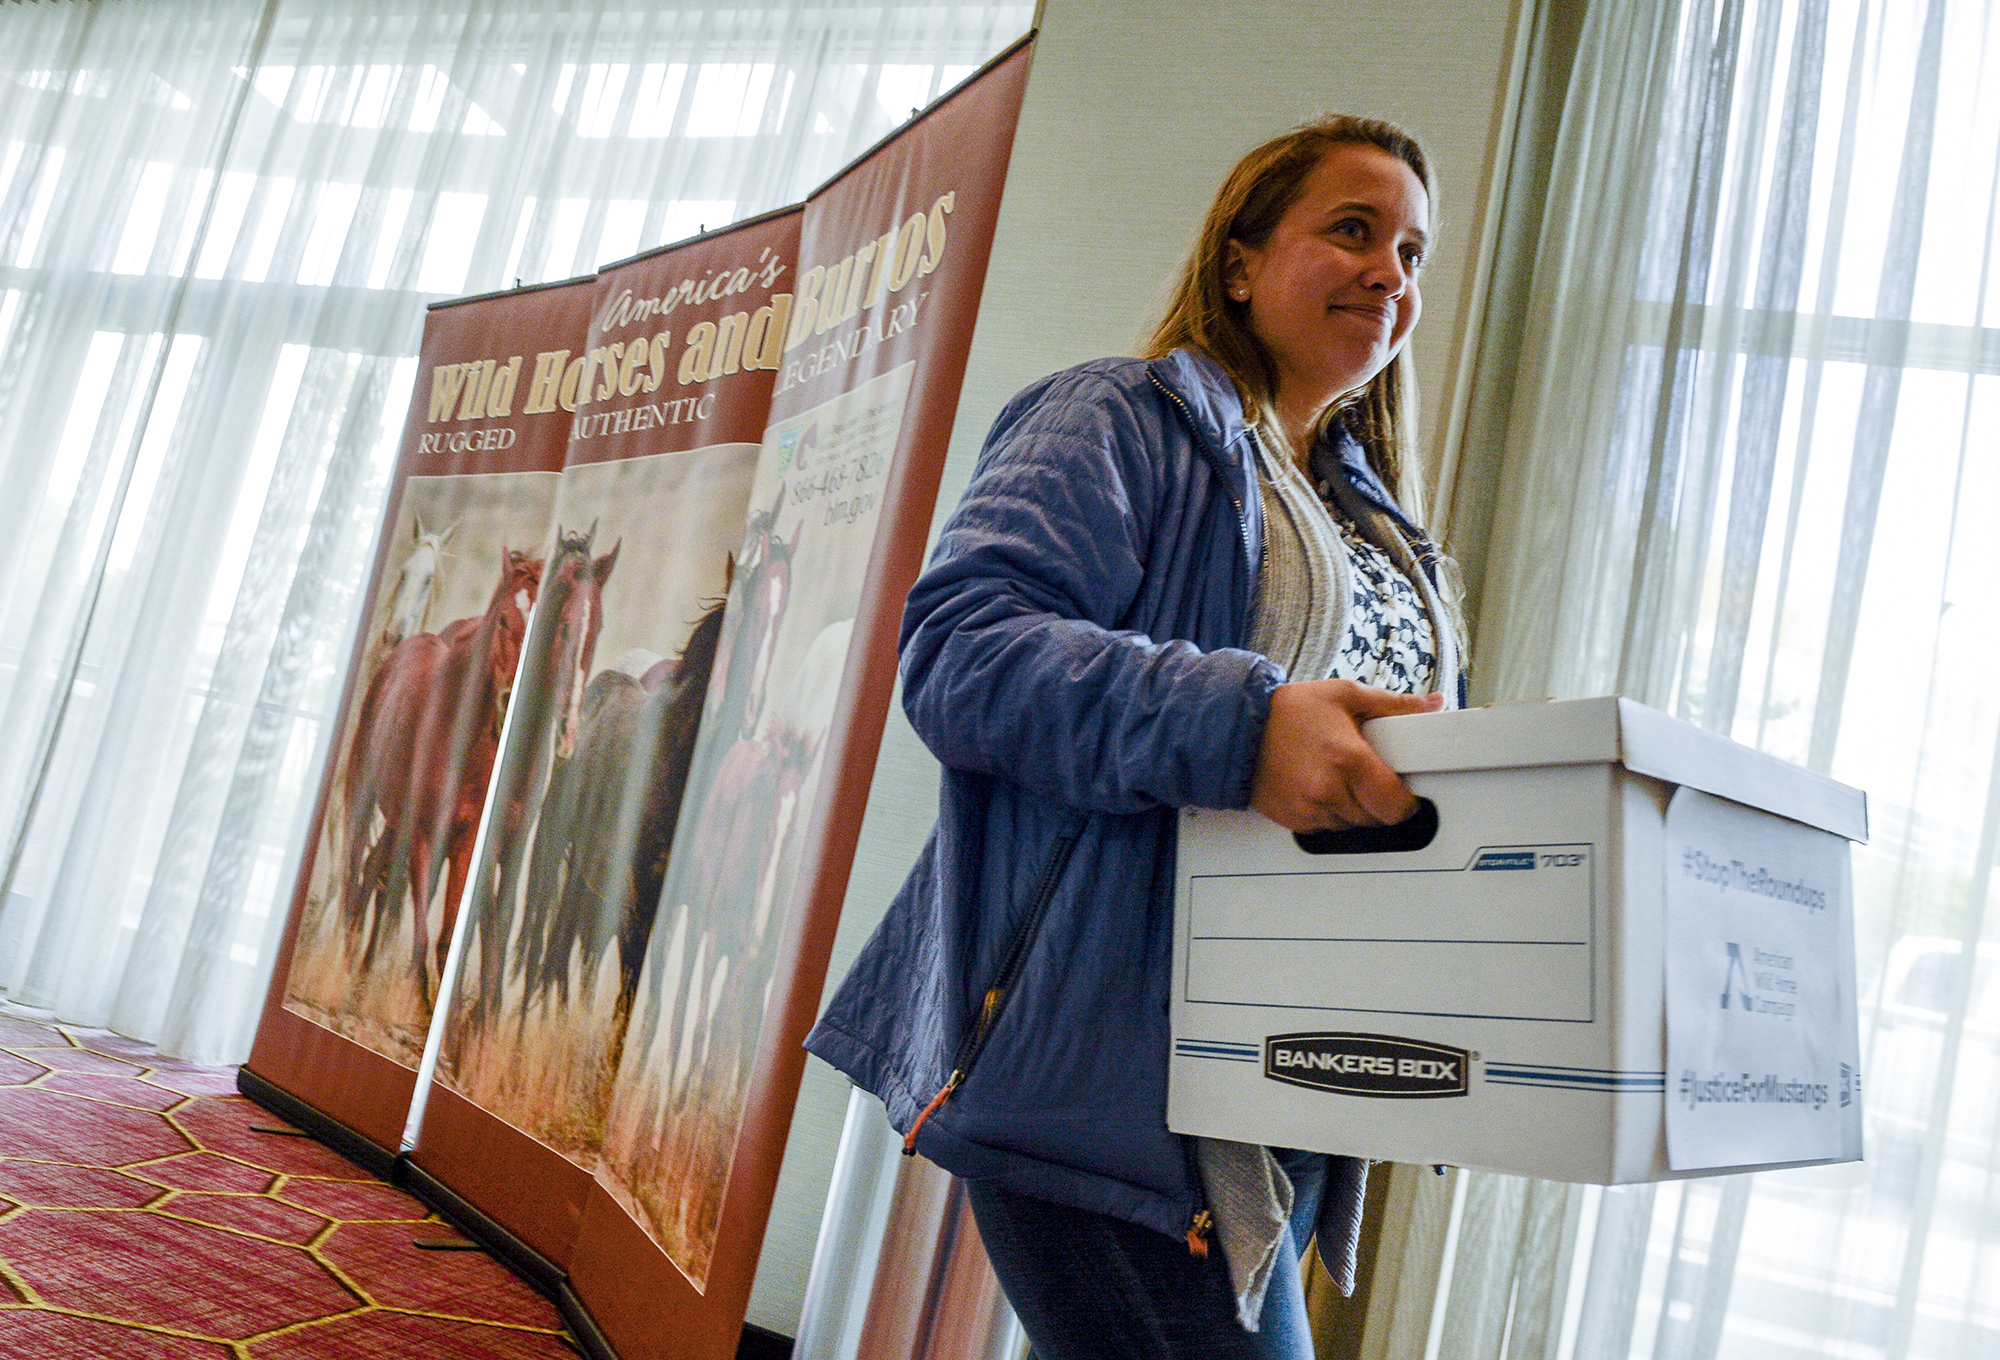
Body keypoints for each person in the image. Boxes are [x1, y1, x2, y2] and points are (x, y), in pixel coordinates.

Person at [806, 115, 1466, 1359]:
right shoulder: (1115, 415)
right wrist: (1243, 724)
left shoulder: (1380, 529)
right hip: (1109, 1078)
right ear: (1237, 262)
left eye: (1414, 252)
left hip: (1275, 1090)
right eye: (1352, 230)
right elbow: (960, 650)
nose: (1392, 273)